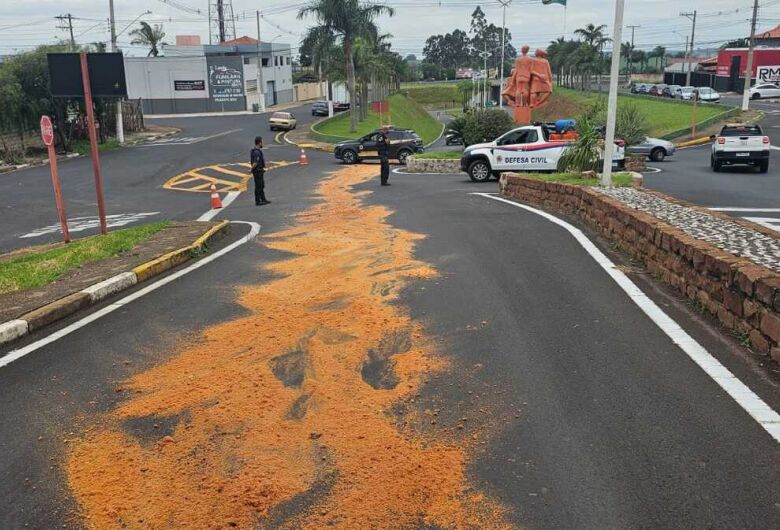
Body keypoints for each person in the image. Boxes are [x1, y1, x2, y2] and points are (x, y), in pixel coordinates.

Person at [250, 136, 270, 205]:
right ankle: (258, 201)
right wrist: (251, 169)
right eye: (262, 142)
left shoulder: (256, 151)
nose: (263, 143)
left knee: (261, 185)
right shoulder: (256, 152)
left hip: (260, 170)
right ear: (259, 143)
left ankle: (263, 199)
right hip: (257, 171)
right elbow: (255, 163)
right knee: (258, 186)